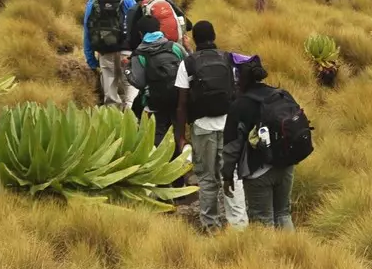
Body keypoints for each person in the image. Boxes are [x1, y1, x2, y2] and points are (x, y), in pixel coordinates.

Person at [219, 55, 311, 230]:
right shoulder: (282, 95)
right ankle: (294, 255)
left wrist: (227, 176)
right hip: (286, 165)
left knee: (263, 221)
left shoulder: (240, 105)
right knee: (283, 213)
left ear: (239, 78)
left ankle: (267, 258)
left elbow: (231, 147)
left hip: (257, 172)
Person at [175, 22, 242, 232]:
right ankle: (239, 226)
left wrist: (180, 136)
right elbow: (237, 92)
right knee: (231, 175)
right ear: (214, 35)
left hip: (202, 127)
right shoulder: (228, 58)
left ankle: (210, 226)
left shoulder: (188, 63)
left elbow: (182, 104)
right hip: (228, 126)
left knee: (206, 178)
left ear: (194, 39)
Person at [128, 28, 186, 150]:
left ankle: (159, 160)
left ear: (141, 34)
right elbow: (187, 67)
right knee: (175, 127)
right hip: (177, 98)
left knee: (157, 130)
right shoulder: (175, 47)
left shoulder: (139, 54)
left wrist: (127, 72)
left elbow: (139, 82)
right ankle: (176, 158)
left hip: (154, 100)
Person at [83, 0, 134, 109]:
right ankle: (132, 117)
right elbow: (134, 23)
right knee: (129, 84)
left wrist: (90, 59)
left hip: (105, 49)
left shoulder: (93, 2)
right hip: (127, 50)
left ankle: (112, 119)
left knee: (110, 86)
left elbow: (87, 29)